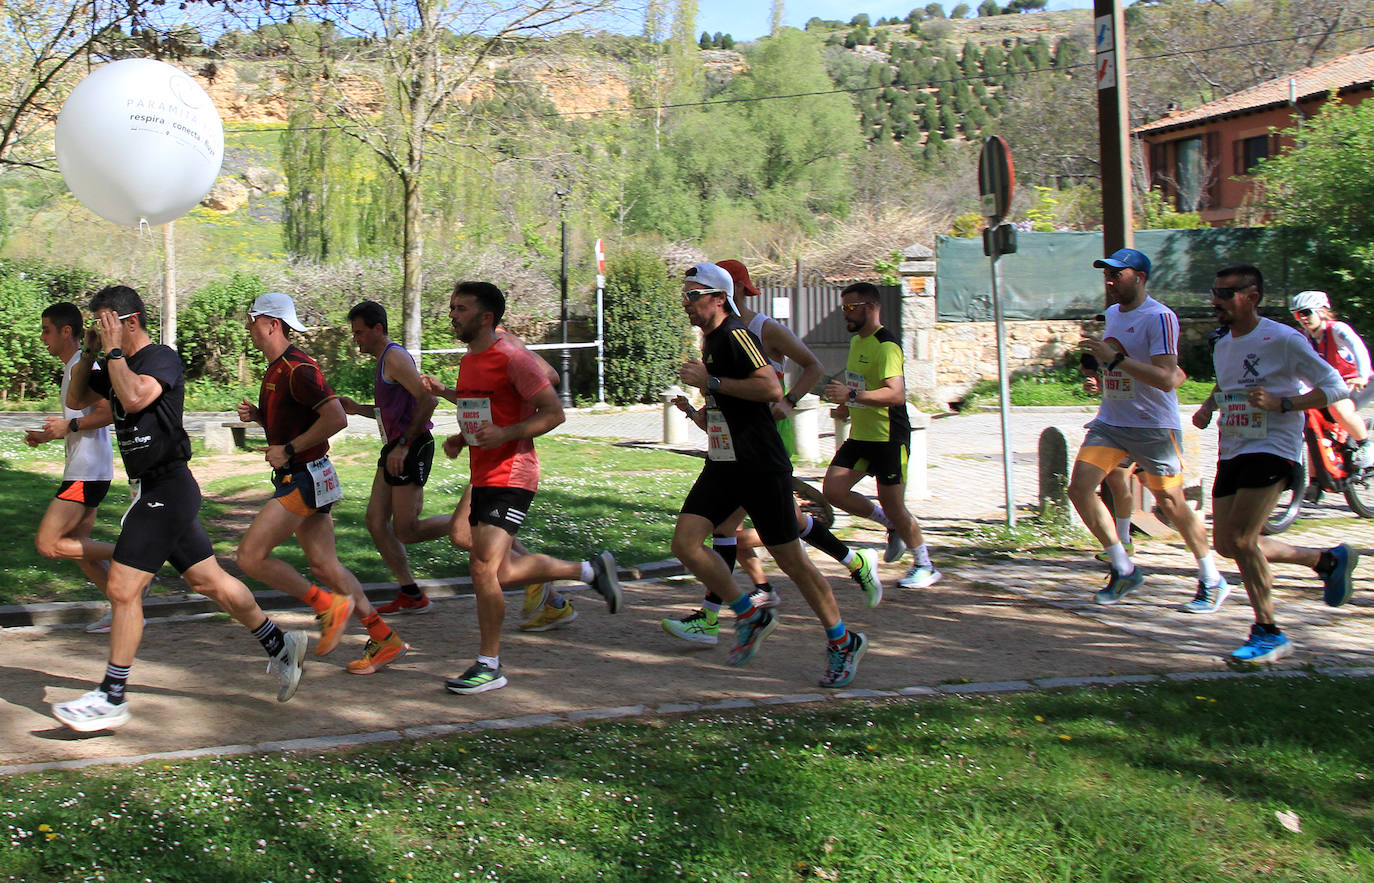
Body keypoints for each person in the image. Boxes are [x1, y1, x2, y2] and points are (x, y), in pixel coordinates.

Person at [54, 285, 306, 731]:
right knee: (208, 579)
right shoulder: (113, 362)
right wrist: (92, 355)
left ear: (130, 321)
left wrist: (112, 354)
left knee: (123, 590)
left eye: (105, 320)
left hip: (168, 486)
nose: (99, 328)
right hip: (152, 487)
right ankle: (280, 644)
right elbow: (76, 400)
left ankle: (112, 695)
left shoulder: (160, 359)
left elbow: (133, 399)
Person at [661, 259, 882, 646]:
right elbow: (728, 406)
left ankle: (843, 641)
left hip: (760, 466)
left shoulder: (738, 334)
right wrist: (700, 412)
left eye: (693, 296)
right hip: (725, 463)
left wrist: (710, 380)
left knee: (792, 561)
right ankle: (747, 614)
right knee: (685, 543)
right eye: (684, 296)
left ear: (719, 298)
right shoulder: (711, 340)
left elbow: (770, 389)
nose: (685, 303)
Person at [441, 280, 622, 695]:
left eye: (461, 308)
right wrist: (461, 438)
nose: (453, 314)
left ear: (486, 317)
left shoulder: (513, 358)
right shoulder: (469, 361)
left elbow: (554, 412)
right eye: (452, 307)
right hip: (485, 472)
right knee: (500, 571)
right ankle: (590, 570)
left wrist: (507, 434)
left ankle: (489, 665)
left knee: (482, 567)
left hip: (513, 474)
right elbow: (481, 413)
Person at [1192, 265, 1359, 666]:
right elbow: (1228, 383)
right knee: (1227, 544)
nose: (1216, 300)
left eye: (1226, 294)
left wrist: (1285, 403)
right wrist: (1208, 405)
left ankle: (1268, 632)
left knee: (1246, 540)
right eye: (1215, 292)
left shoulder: (1283, 338)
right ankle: (1326, 560)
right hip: (1233, 446)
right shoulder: (1221, 341)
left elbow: (1334, 386)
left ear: (1252, 296)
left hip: (1273, 447)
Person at [234, 292, 407, 675]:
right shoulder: (278, 368)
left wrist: (289, 448)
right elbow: (299, 420)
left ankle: (326, 605)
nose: (248, 327)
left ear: (272, 324)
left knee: (249, 557)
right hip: (312, 475)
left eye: (252, 318)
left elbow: (335, 418)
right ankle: (384, 638)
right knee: (325, 565)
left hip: (304, 478)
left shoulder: (299, 369)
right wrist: (262, 418)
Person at [1069, 248, 1229, 613]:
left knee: (1171, 504)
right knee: (1079, 488)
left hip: (1153, 427)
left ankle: (1211, 578)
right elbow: (1116, 362)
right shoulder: (1112, 313)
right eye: (1106, 275)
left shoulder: (1160, 317)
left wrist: (1116, 360)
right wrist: (1099, 372)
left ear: (1139, 278)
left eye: (1117, 275)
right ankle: (1123, 568)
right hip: (1111, 422)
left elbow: (1167, 379)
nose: (1109, 282)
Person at [421, 326, 582, 634]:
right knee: (467, 538)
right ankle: (548, 594)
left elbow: (548, 377)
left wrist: (512, 419)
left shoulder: (503, 342)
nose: (454, 316)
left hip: (505, 463)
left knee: (467, 539)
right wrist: (460, 425)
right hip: (485, 458)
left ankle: (557, 583)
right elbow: (480, 403)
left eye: (460, 308)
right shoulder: (475, 353)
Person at [822, 282, 939, 590]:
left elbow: (896, 394)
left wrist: (850, 393)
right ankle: (890, 526)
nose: (844, 314)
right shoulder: (858, 342)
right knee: (833, 491)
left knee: (896, 506)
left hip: (889, 438)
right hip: (862, 436)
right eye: (843, 307)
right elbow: (859, 382)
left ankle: (925, 564)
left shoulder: (886, 345)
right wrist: (846, 406)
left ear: (871, 308)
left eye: (850, 308)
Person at [338, 300, 451, 615]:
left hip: (410, 446)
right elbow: (392, 410)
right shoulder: (384, 361)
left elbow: (428, 401)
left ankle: (470, 525)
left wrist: (403, 445)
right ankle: (411, 593)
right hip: (394, 447)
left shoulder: (396, 357)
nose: (356, 339)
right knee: (375, 521)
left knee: (406, 530)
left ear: (378, 328)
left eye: (359, 332)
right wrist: (356, 408)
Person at [24, 303, 119, 632]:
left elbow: (109, 412)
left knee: (49, 543)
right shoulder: (73, 367)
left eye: (46, 330)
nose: (42, 338)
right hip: (90, 470)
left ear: (67, 331)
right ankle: (124, 607)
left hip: (86, 472)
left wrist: (69, 426)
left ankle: (135, 554)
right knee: (82, 550)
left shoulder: (83, 365)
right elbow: (79, 423)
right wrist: (50, 434)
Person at [1289, 289, 1373, 469]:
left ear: (1322, 311)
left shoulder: (1337, 329)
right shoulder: (1304, 338)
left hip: (1357, 382)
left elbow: (1359, 349)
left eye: (1306, 312)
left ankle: (1365, 444)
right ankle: (1314, 484)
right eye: (1297, 314)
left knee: (1337, 406)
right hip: (1331, 387)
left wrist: (1362, 375)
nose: (1302, 318)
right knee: (1313, 426)